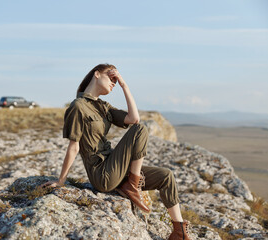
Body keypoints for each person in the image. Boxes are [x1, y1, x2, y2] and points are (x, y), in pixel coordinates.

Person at [41, 64, 191, 240]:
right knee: (140, 130)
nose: (114, 83)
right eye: (111, 78)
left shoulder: (103, 106)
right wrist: (61, 181)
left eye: (115, 80)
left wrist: (124, 85)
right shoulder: (78, 107)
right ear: (97, 74)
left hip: (115, 167)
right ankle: (132, 185)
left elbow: (133, 118)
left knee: (166, 176)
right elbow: (74, 147)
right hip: (102, 174)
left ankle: (179, 231)